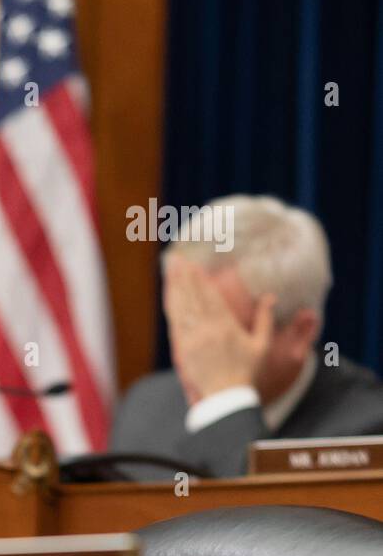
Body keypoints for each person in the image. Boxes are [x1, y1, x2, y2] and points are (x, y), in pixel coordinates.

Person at [110, 195, 383, 478]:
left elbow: (269, 521)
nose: (191, 351)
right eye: (184, 323)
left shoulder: (369, 430)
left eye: (218, 334)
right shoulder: (145, 408)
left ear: (300, 332)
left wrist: (226, 402)